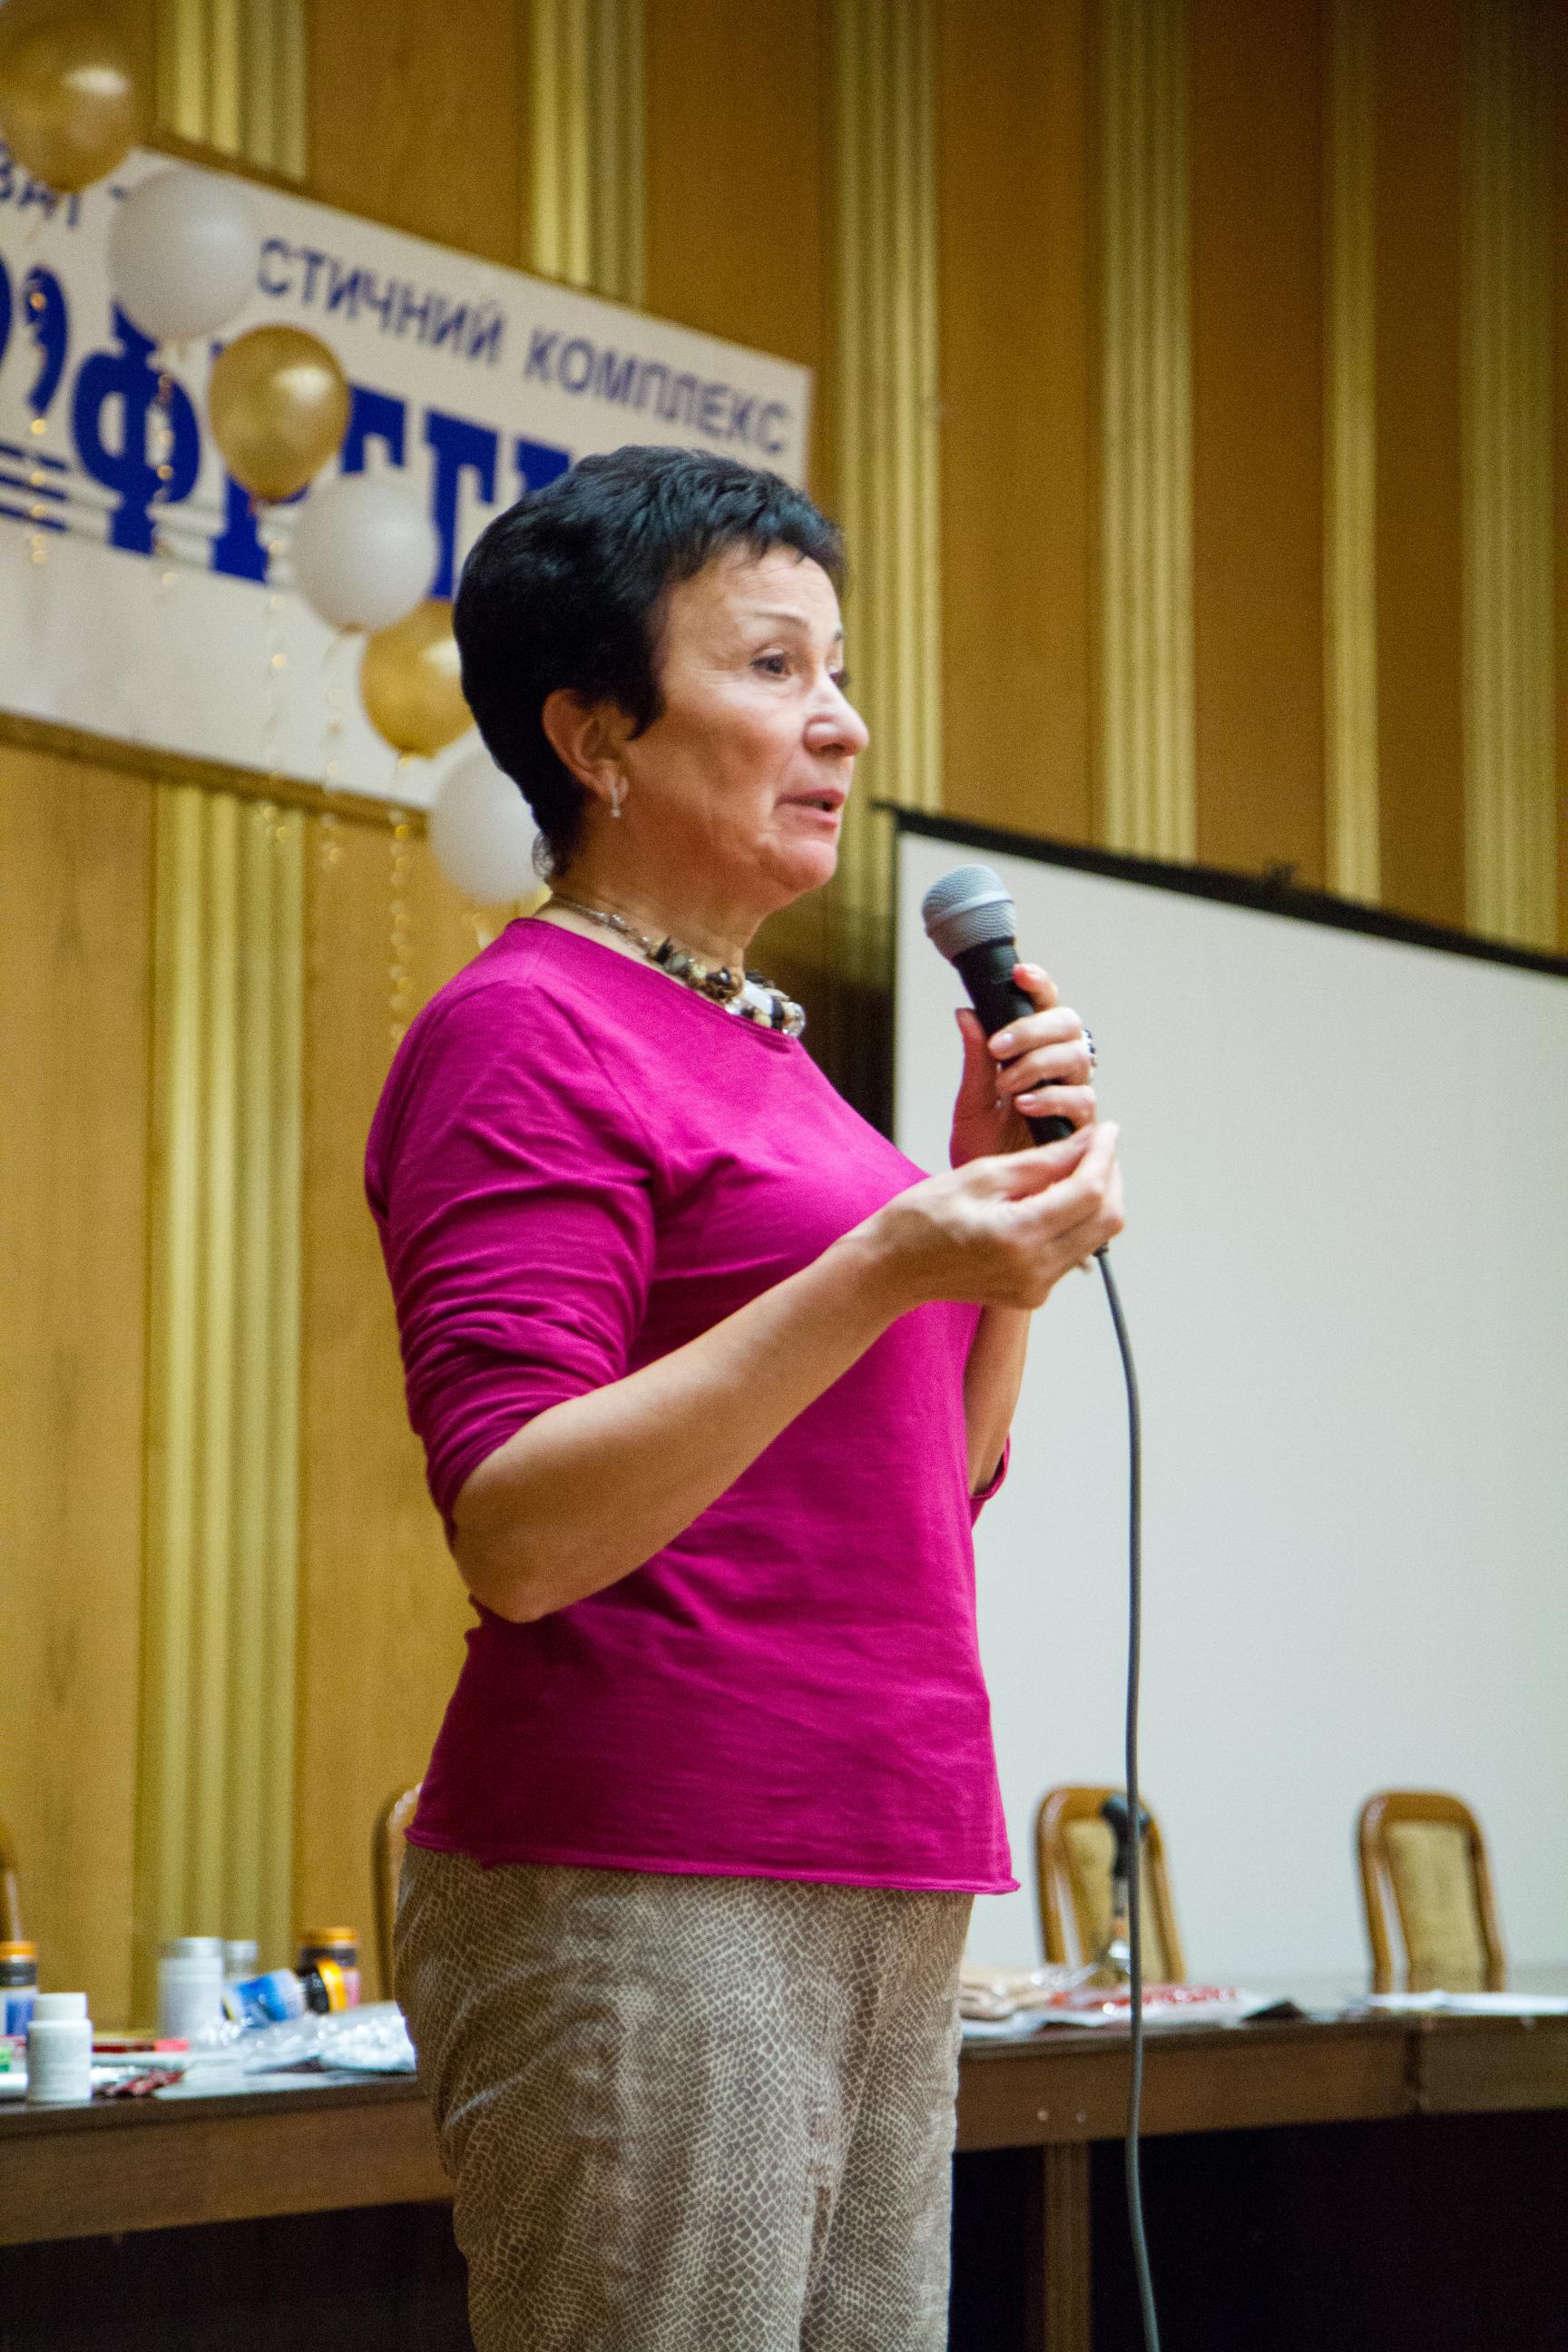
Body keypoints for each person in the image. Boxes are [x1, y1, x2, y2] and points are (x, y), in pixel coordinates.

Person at [367, 445, 1122, 2352]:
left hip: (884, 1850)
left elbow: (931, 1482)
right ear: (595, 736)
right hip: (654, 1869)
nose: (840, 722)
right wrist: (887, 1258)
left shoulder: (777, 1067)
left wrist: (990, 1244)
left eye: (838, 670)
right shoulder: (524, 1028)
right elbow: (520, 1527)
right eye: (774, 666)